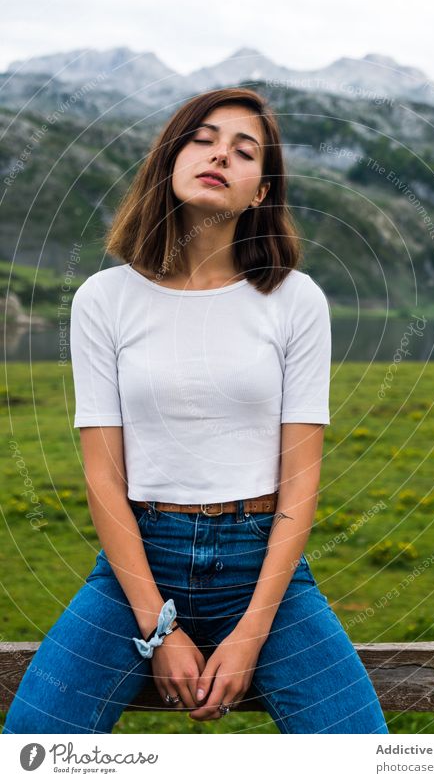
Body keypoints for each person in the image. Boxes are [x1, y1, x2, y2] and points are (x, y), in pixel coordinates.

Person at [3, 86, 388, 735]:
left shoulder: (296, 300)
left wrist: (251, 633)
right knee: (31, 745)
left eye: (243, 151)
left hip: (264, 565)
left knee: (363, 754)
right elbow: (103, 476)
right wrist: (159, 625)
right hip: (136, 568)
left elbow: (301, 479)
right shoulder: (104, 298)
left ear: (261, 191)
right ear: (170, 159)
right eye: (203, 138)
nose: (219, 155)